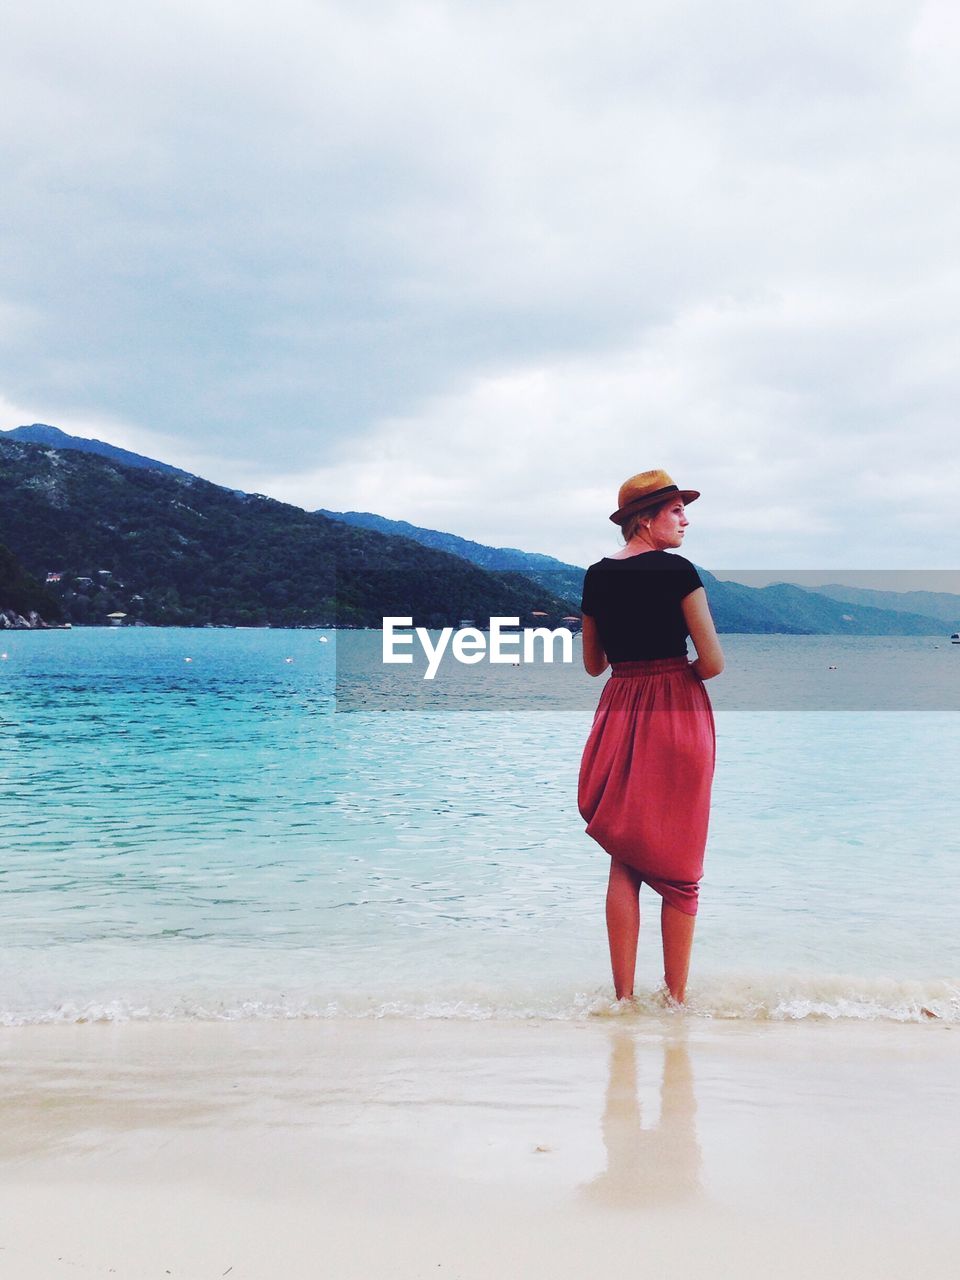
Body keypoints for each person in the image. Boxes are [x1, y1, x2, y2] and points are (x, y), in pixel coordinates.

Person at [578, 469, 723, 1006]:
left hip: (619, 708)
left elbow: (594, 665)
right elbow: (712, 662)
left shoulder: (595, 576)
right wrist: (672, 675)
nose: (685, 519)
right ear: (646, 518)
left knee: (626, 854)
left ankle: (623, 1000)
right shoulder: (678, 571)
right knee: (680, 868)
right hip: (676, 711)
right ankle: (675, 1001)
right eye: (676, 510)